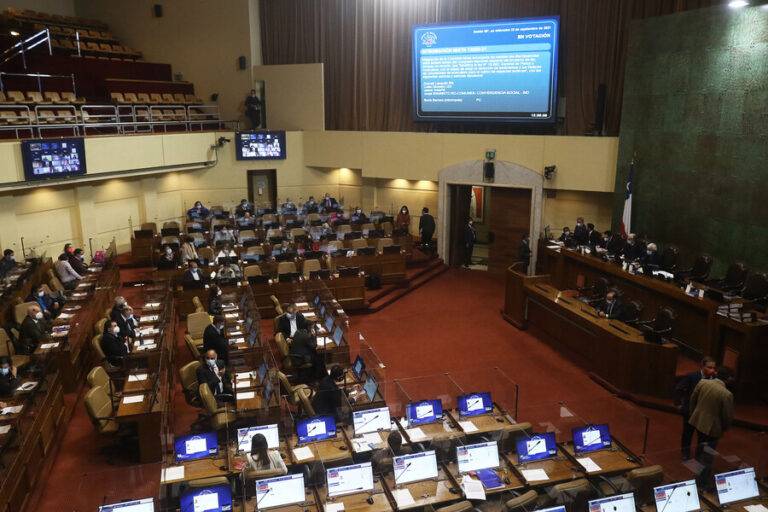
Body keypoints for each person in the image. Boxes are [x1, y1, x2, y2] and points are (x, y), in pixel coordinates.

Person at [688, 367, 734, 487]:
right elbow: (727, 416)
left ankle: (698, 472)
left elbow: (692, 400)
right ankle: (701, 481)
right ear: (729, 379)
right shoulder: (727, 394)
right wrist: (724, 428)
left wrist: (694, 414)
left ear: (717, 373)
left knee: (700, 447)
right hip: (712, 428)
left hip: (698, 422)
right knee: (708, 453)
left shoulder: (703, 382)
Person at [674, 356, 716, 461]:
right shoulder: (692, 376)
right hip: (690, 411)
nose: (711, 370)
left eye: (713, 368)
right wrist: (678, 404)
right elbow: (679, 388)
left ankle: (699, 454)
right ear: (702, 366)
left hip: (705, 413)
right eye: (709, 367)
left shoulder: (715, 379)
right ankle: (685, 453)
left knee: (702, 436)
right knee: (687, 434)